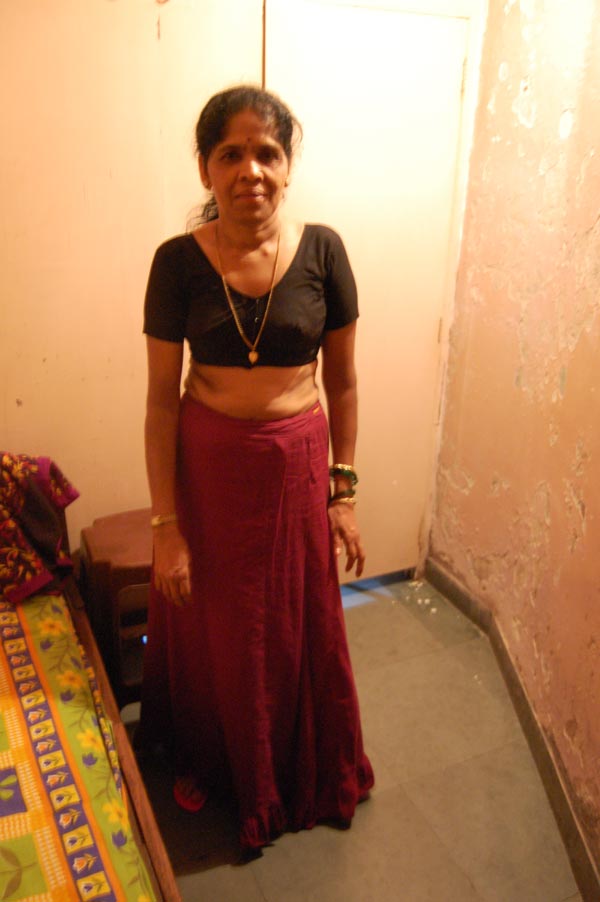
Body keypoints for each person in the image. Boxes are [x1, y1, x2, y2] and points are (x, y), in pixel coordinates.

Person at [138, 84, 374, 851]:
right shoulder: (176, 263)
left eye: (268, 153)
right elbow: (161, 403)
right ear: (206, 168)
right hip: (208, 470)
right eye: (231, 154)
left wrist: (343, 490)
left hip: (297, 467)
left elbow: (344, 383)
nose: (252, 171)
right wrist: (166, 526)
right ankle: (215, 759)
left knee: (295, 618)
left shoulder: (324, 251)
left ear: (288, 165)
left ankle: (296, 766)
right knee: (213, 625)